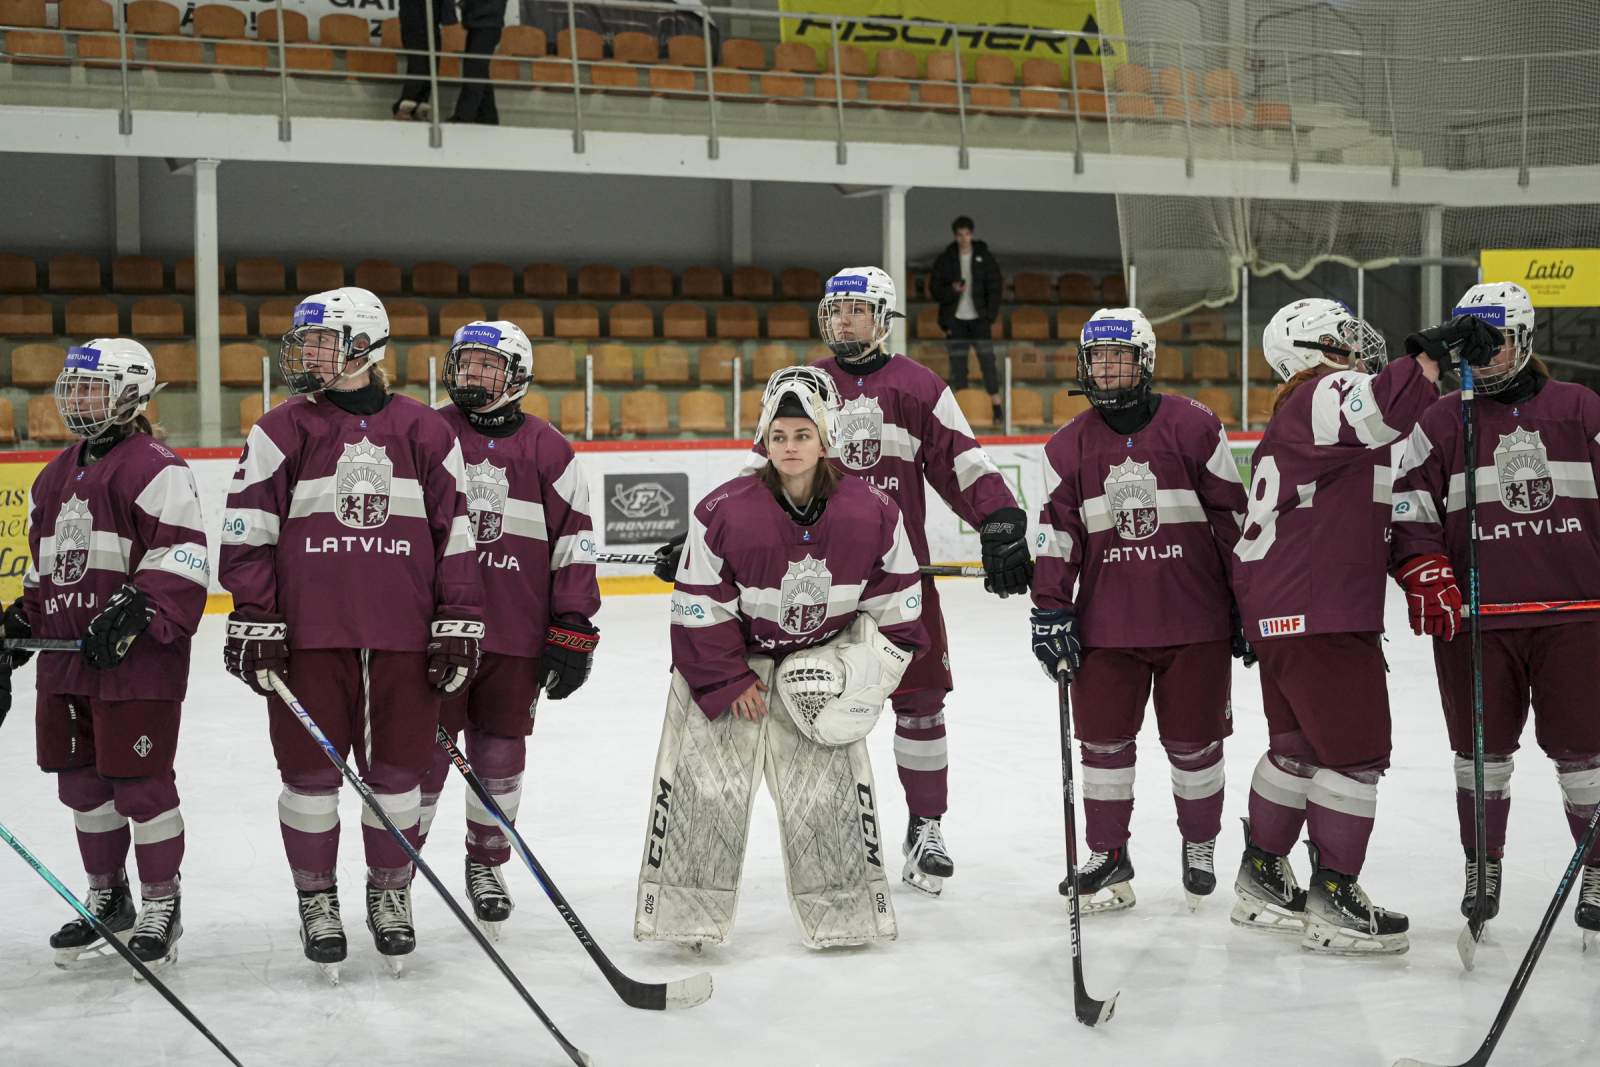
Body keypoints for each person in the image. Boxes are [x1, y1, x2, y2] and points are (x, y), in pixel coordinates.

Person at [729, 266, 1029, 898]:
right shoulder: (802, 385)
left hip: (900, 577)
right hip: (816, 581)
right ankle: (830, 838)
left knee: (921, 702)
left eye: (857, 310)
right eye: (835, 310)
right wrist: (711, 530)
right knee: (815, 706)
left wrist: (999, 518)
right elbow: (760, 472)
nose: (843, 321)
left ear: (883, 318)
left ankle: (926, 829)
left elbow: (963, 462)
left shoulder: (919, 386)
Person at [219, 287, 483, 982]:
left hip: (404, 637)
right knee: (308, 780)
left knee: (398, 779)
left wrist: (458, 618)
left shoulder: (426, 430)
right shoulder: (278, 429)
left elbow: (456, 533)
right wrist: (256, 612)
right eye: (303, 343)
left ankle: (391, 892)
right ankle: (318, 899)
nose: (306, 355)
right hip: (309, 637)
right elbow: (246, 533)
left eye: (321, 343)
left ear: (364, 347)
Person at [635, 367, 926, 949]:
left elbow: (898, 609)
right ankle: (684, 915)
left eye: (802, 435)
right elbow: (697, 603)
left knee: (828, 801)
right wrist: (727, 678)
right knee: (703, 794)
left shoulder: (874, 510)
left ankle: (844, 916)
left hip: (816, 672)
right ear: (764, 441)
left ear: (826, 438)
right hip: (727, 671)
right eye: (779, 436)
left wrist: (855, 678)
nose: (790, 447)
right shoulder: (723, 509)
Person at [1228, 297, 1440, 955]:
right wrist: (1426, 361)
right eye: (1342, 336)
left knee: (1297, 750)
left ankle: (1262, 876)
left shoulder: (1302, 412)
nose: (1357, 347)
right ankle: (1335, 899)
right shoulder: (1325, 392)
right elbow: (1381, 407)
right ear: (1312, 350)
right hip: (1321, 606)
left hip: (1283, 608)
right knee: (1355, 754)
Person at [1391, 281, 1600, 943]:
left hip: (1577, 613)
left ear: (1525, 339)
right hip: (1476, 619)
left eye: (1498, 340)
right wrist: (1425, 568)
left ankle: (1598, 867)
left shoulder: (1580, 407)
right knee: (1479, 755)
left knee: (1585, 755)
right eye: (1472, 343)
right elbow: (1409, 509)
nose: (1484, 355)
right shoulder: (1439, 421)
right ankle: (1483, 862)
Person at [1029, 308, 1249, 915]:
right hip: (1107, 626)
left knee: (1196, 745)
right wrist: (1050, 609)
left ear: (1144, 361)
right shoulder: (1064, 445)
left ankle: (1199, 843)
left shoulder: (1195, 425)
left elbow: (1234, 520)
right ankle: (1108, 854)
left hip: (1195, 621)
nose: (1106, 368)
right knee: (1102, 747)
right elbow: (1056, 536)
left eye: (1118, 356)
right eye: (1096, 357)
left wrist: (1248, 601)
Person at [2, 339, 207, 969]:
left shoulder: (157, 467)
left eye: (92, 387)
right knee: (82, 786)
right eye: (73, 385)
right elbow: (46, 567)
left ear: (131, 393)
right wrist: (22, 619)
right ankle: (108, 898)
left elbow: (184, 555)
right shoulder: (51, 475)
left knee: (141, 787)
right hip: (67, 658)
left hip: (135, 661)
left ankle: (162, 904)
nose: (77, 397)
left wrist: (139, 607)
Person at [416, 320, 600, 938]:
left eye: (486, 366)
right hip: (436, 631)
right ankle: (401, 864)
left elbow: (574, 541)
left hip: (515, 633)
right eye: (465, 363)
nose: (471, 374)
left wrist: (572, 624)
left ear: (518, 376)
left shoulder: (549, 448)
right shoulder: (428, 430)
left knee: (500, 752)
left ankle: (487, 864)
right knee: (421, 756)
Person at [929, 216, 1004, 422]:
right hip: (955, 320)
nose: (963, 239)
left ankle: (997, 407)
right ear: (955, 236)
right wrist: (952, 290)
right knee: (958, 365)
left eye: (967, 234)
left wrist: (989, 316)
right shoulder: (946, 259)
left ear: (972, 234)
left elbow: (995, 287)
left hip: (979, 319)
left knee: (988, 362)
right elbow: (935, 289)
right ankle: (962, 408)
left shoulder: (984, 257)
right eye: (960, 235)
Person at [393, 0, 459, 122]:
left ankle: (420, 105)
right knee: (419, 65)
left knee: (431, 67)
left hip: (432, 21)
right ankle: (404, 107)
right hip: (414, 19)